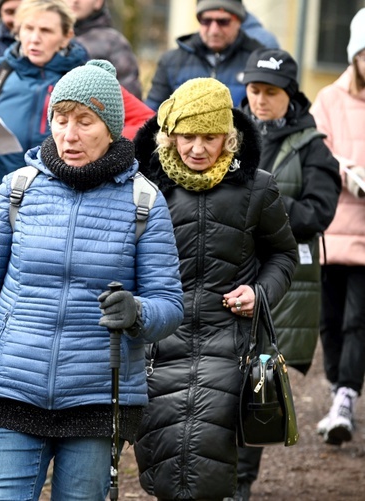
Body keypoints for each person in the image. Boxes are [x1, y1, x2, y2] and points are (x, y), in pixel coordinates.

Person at [0, 59, 185, 500]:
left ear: (111, 127)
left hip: (97, 396)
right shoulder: (17, 190)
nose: (69, 135)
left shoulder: (145, 201)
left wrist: (137, 312)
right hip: (10, 386)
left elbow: (169, 305)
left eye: (84, 121)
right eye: (60, 118)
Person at [132, 77, 298, 500]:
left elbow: (283, 256)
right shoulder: (144, 190)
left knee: (225, 471)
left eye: (211, 137)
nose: (199, 148)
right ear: (169, 137)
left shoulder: (258, 188)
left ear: (230, 137)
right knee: (166, 470)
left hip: (234, 348)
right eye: (188, 136)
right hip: (160, 348)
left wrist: (259, 294)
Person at [234, 47, 341, 500]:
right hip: (222, 271)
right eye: (254, 90)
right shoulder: (225, 132)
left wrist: (265, 199)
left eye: (270, 93)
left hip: (276, 281)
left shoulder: (313, 146)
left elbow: (319, 212)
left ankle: (239, 483)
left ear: (290, 95)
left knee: (256, 380)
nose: (259, 100)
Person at [0, 0, 154, 188]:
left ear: (66, 36)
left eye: (46, 31)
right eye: (28, 28)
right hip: (2, 187)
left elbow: (146, 120)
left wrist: (102, 139)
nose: (35, 38)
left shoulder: (84, 78)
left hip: (60, 190)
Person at [310, 7, 365, 447]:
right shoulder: (329, 98)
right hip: (332, 227)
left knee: (357, 320)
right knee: (328, 320)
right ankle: (337, 390)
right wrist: (346, 171)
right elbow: (318, 148)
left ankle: (346, 395)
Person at [144, 0, 264, 110]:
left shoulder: (259, 60)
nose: (214, 30)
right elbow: (151, 114)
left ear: (239, 21)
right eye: (206, 21)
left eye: (223, 22)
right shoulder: (171, 61)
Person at [67, 0, 143, 99]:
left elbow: (130, 97)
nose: (75, 1)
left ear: (98, 2)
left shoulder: (114, 43)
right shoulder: (48, 37)